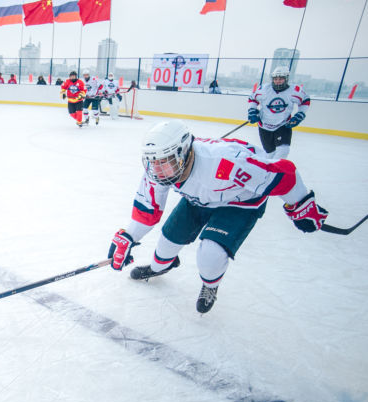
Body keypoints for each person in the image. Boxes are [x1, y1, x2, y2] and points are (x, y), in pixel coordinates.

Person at [107, 120, 327, 313]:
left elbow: (284, 174)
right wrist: (129, 236)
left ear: (183, 152)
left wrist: (302, 205)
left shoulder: (228, 162)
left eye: (163, 162)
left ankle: (210, 285)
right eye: (152, 162)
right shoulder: (159, 167)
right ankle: (160, 266)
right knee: (166, 244)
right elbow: (148, 208)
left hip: (240, 204)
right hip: (197, 200)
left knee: (210, 255)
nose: (156, 170)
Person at [248, 66, 310, 160]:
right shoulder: (264, 89)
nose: (277, 81)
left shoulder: (294, 90)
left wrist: (300, 115)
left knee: (283, 150)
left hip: (283, 125)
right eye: (275, 79)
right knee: (270, 153)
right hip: (264, 125)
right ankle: (267, 170)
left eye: (280, 79)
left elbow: (305, 101)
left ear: (286, 79)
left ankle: (275, 170)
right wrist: (252, 111)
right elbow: (253, 98)